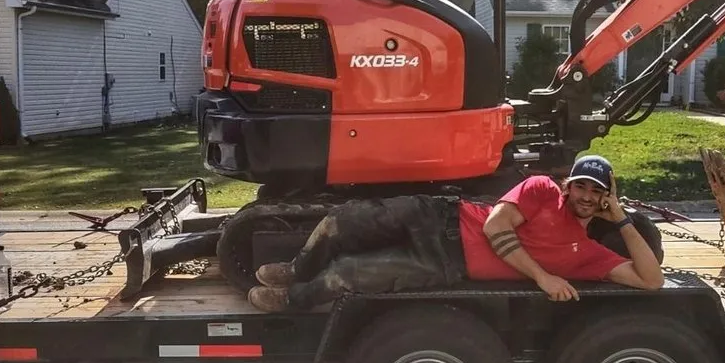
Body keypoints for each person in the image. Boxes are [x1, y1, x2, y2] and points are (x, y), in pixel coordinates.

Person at [246, 154, 665, 313]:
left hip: (444, 265)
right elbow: (494, 225)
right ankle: (295, 267)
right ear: (568, 185)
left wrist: (622, 220)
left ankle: (291, 300)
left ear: (607, 196)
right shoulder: (541, 190)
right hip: (439, 219)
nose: (587, 196)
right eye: (581, 186)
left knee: (347, 276)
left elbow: (651, 280)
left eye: (597, 191)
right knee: (341, 222)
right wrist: (543, 277)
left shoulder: (588, 255)